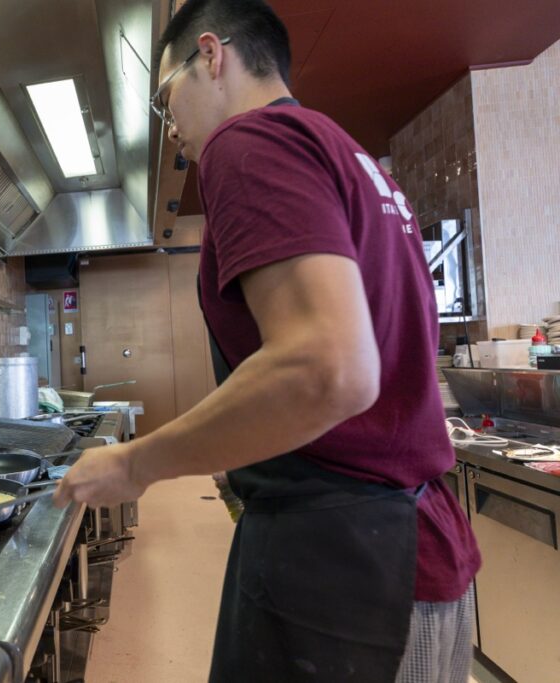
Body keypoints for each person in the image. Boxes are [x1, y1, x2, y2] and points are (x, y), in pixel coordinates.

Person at [52, 0, 481, 680]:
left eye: (167, 102)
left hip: (347, 579)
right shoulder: (345, 152)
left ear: (212, 56)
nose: (174, 133)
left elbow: (329, 366)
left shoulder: (246, 144)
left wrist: (137, 464)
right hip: (412, 552)